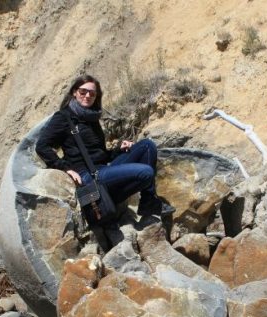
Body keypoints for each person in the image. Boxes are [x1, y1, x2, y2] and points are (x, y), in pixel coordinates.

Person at [34, 74, 173, 221]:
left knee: (147, 146)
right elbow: (42, 146)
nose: (87, 96)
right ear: (74, 92)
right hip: (88, 177)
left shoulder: (91, 118)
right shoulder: (63, 117)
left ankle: (148, 202)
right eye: (83, 92)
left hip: (103, 169)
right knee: (146, 172)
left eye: (92, 93)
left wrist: (119, 149)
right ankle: (119, 200)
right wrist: (65, 168)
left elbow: (100, 154)